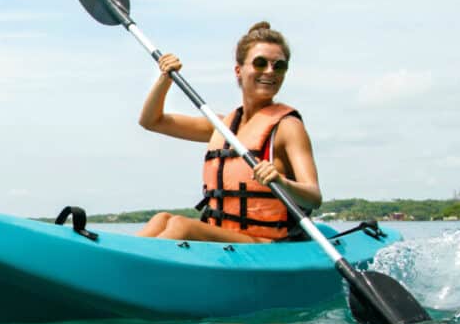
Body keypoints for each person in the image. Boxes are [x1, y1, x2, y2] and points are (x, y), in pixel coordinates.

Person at [136, 21, 322, 243]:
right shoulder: (223, 126)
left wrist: (280, 181)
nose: (270, 72)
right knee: (161, 219)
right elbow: (151, 121)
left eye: (279, 66)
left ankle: (133, 272)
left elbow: (313, 197)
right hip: (225, 238)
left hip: (264, 244)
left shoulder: (287, 126)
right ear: (238, 70)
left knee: (181, 225)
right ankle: (115, 261)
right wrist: (165, 79)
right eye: (260, 63)